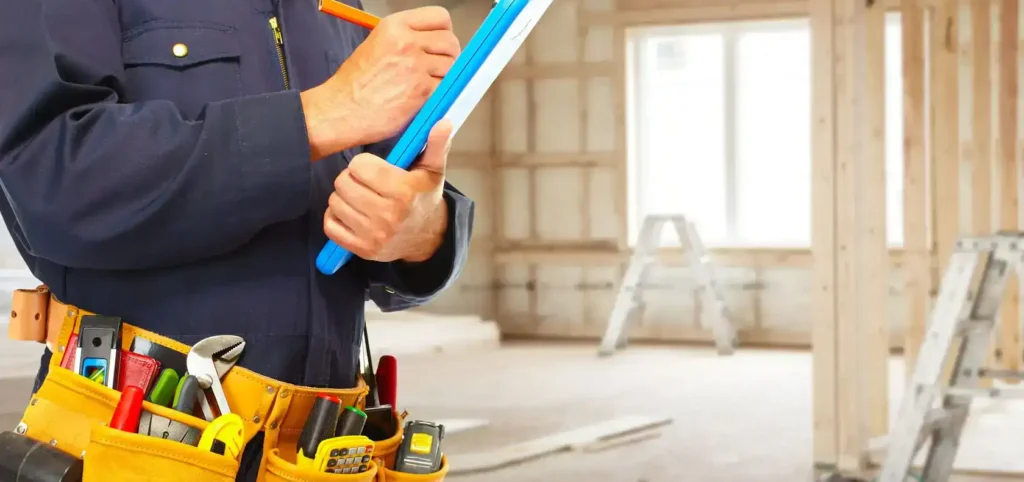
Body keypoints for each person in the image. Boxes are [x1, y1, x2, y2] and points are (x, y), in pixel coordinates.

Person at [0, 0, 473, 478]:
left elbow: (390, 189)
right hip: (138, 443)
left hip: (318, 451)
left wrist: (422, 231)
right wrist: (321, 116)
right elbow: (54, 178)